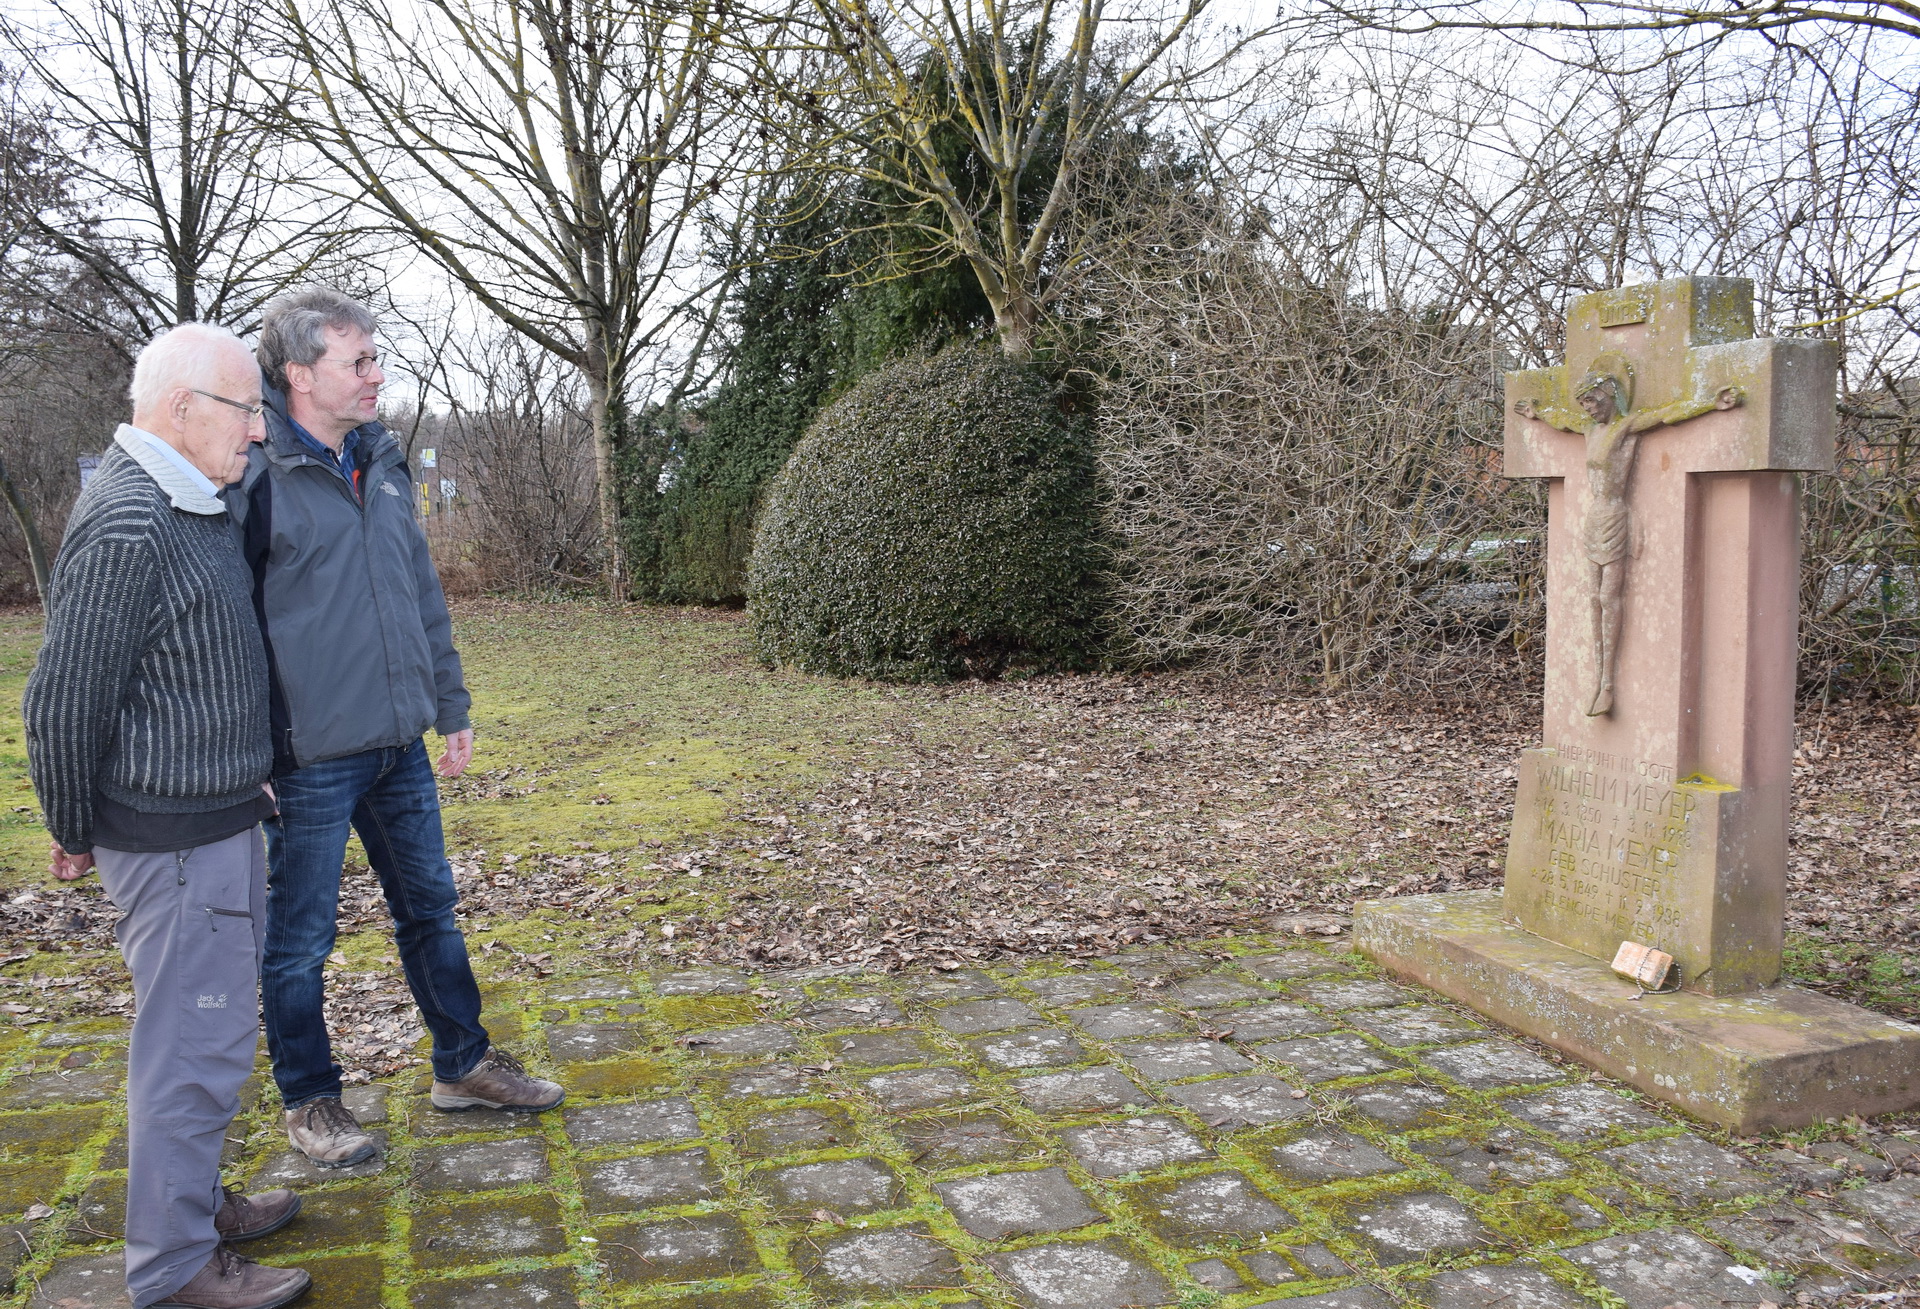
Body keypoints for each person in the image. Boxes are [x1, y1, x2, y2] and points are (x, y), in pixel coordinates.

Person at [240, 287, 562, 1169]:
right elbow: (224, 622)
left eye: (376, 358)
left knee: (431, 910)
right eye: (359, 361)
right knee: (301, 941)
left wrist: (448, 706)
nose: (377, 375)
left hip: (396, 744)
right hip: (304, 757)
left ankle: (461, 1064)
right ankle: (311, 1103)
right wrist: (247, 751)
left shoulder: (381, 460)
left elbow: (419, 594)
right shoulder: (254, 473)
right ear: (301, 374)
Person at [23, 323, 310, 1309]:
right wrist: (71, 819)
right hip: (174, 840)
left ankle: (196, 1203)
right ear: (183, 410)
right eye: (246, 412)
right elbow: (64, 696)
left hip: (221, 820)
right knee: (193, 1048)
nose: (261, 434)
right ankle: (176, 1266)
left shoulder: (196, 501)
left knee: (213, 1036)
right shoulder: (132, 518)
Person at [1515, 356, 1741, 717]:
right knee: (1592, 598)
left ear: (1609, 395)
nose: (1588, 409)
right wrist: (1536, 412)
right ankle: (1599, 679)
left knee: (1609, 595)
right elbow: (1563, 421)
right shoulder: (1589, 428)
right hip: (1594, 518)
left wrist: (1709, 404)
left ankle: (1608, 684)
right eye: (1584, 403)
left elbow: (1667, 414)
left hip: (1617, 516)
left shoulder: (1626, 426)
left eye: (1592, 400)